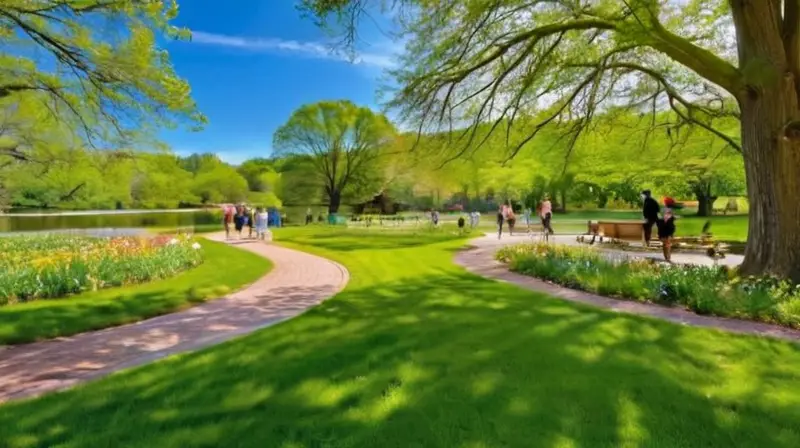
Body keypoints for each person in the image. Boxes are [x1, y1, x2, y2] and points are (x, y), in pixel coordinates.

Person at [657, 197, 677, 262]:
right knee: (667, 244)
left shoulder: (662, 210)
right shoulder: (669, 211)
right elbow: (667, 220)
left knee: (665, 244)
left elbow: (660, 219)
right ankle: (668, 258)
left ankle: (666, 257)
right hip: (667, 230)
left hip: (662, 229)